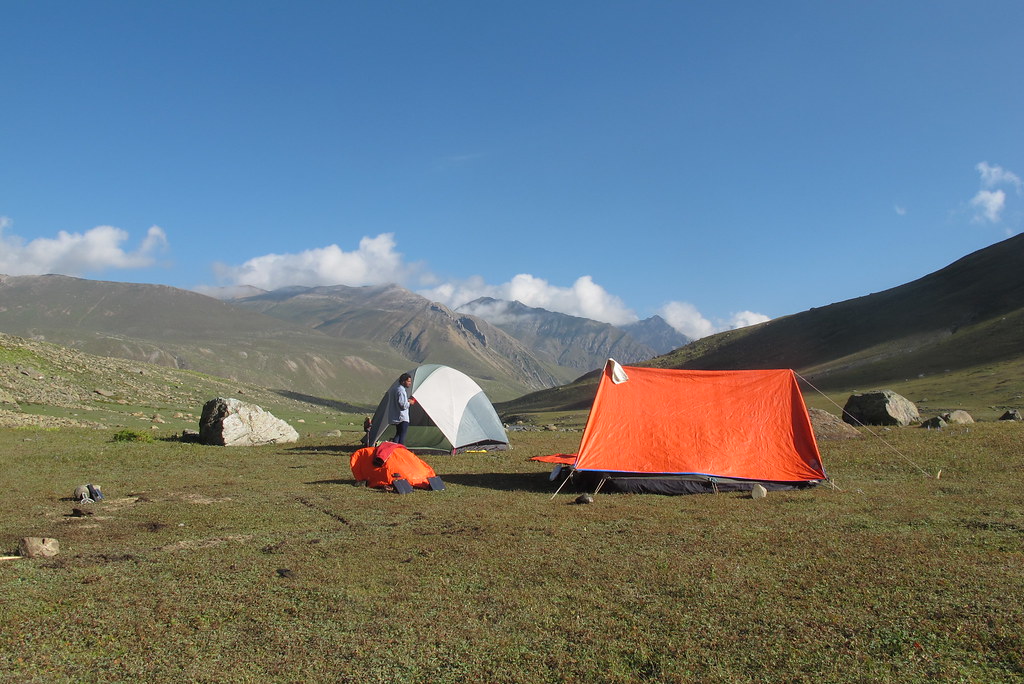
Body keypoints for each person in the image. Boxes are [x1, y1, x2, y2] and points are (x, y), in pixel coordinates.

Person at [389, 373, 416, 445]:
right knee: (402, 435)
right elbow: (402, 405)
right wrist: (410, 402)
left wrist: (407, 400)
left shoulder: (394, 389)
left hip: (396, 416)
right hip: (402, 417)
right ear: (403, 381)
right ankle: (400, 450)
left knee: (398, 434)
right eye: (408, 381)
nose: (410, 383)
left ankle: (393, 449)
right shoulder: (401, 390)